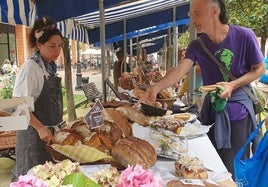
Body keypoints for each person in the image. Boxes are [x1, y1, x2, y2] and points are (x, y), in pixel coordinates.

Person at [139, 0, 265, 177]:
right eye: (191, 15)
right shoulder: (197, 45)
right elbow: (180, 71)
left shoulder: (244, 36)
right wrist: (155, 88)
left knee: (233, 169)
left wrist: (232, 85)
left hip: (239, 113)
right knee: (211, 165)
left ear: (214, 11)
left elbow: (259, 69)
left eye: (196, 14)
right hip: (211, 111)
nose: (192, 20)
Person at [11, 16, 63, 180]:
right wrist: (40, 127)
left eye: (59, 45)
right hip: (33, 140)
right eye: (52, 46)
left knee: (50, 179)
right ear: (39, 45)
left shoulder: (50, 67)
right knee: (32, 179)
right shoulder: (30, 69)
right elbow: (19, 105)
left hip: (49, 137)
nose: (57, 50)